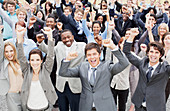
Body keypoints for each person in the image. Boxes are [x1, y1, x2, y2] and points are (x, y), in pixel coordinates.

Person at [59, 39, 129, 111]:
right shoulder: (82, 67)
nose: (92, 57)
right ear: (86, 56)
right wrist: (67, 59)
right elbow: (63, 72)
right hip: (86, 106)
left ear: (99, 54)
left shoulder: (107, 66)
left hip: (105, 106)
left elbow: (124, 63)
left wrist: (113, 47)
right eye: (89, 55)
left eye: (94, 54)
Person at [37, 29, 86, 111]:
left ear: (73, 37)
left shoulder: (82, 46)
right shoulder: (59, 46)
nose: (67, 39)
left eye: (68, 37)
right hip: (61, 85)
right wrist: (40, 43)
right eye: (64, 38)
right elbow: (49, 51)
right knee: (63, 108)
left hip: (75, 84)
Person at [123, 28, 170, 111]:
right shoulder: (142, 63)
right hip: (139, 104)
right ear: (147, 53)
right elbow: (127, 53)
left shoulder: (165, 68)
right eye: (151, 52)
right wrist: (131, 37)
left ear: (160, 55)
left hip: (155, 107)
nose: (153, 55)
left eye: (156, 53)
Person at [16, 26, 57, 110]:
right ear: (29, 61)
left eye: (37, 60)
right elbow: (21, 56)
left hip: (45, 107)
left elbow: (50, 55)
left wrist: (50, 36)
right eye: (32, 60)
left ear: (41, 61)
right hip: (30, 107)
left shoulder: (46, 70)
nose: (35, 63)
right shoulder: (26, 70)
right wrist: (19, 38)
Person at [0, 25, 23, 111]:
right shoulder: (3, 63)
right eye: (6, 52)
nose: (9, 54)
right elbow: (0, 48)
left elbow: (20, 48)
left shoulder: (19, 62)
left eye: (11, 51)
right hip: (11, 97)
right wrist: (0, 34)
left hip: (23, 95)